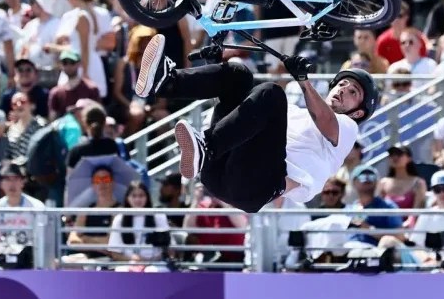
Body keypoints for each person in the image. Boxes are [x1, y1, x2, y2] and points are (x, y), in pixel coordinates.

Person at [134, 34, 379, 213]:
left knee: (272, 93)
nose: (343, 89)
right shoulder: (294, 112)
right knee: (238, 76)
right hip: (219, 172)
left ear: (358, 112)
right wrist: (216, 68)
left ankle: (206, 147)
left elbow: (324, 119)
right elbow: (243, 120)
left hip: (253, 188)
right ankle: (166, 83)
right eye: (342, 84)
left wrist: (303, 81)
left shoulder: (347, 128)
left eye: (353, 92)